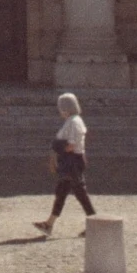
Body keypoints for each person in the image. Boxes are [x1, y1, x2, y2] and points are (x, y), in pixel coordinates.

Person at [35, 91, 94, 236]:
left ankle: (95, 223)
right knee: (62, 192)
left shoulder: (74, 122)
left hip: (71, 161)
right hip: (71, 160)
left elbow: (72, 145)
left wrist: (56, 147)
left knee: (80, 193)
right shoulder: (72, 121)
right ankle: (49, 224)